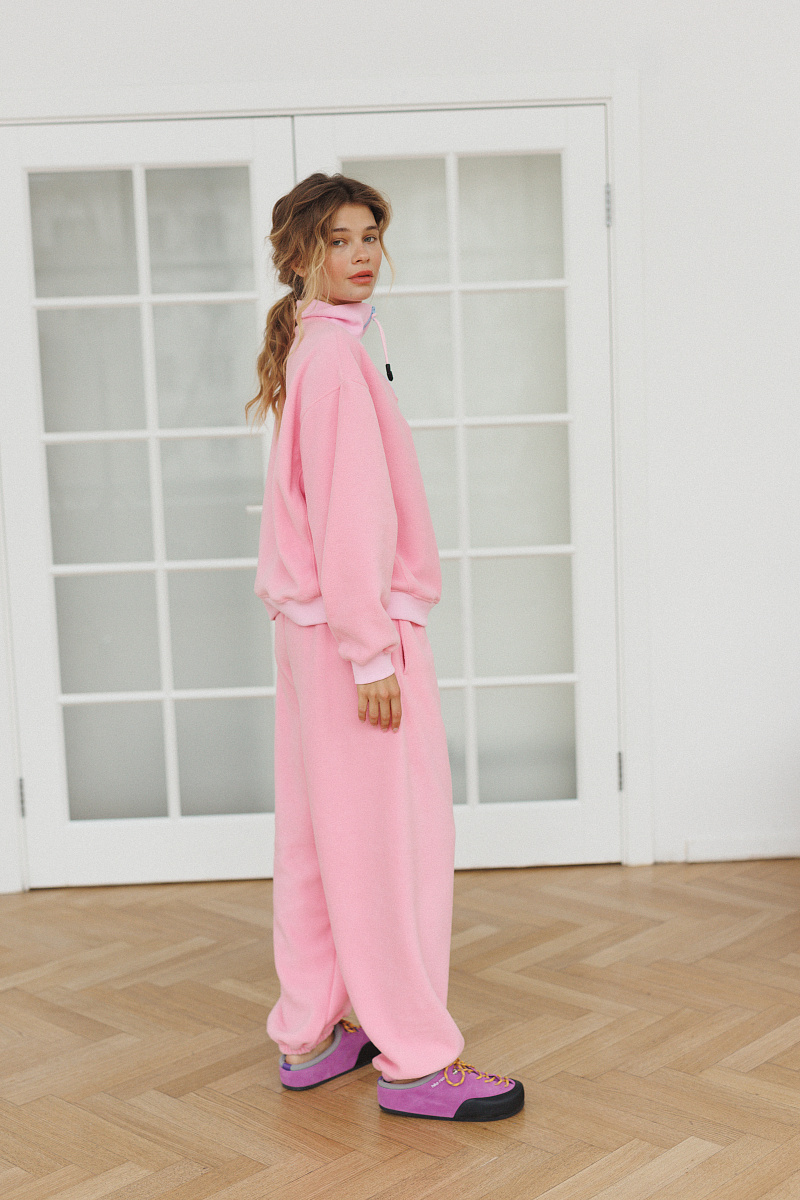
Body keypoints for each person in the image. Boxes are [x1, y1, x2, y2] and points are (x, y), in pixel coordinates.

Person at [249, 172, 524, 1122]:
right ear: (301, 253)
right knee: (387, 849)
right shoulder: (334, 358)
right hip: (349, 634)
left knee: (317, 839)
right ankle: (415, 1060)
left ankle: (309, 1033)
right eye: (339, 240)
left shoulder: (314, 345)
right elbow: (352, 514)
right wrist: (371, 651)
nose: (362, 254)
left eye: (370, 236)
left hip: (307, 629)